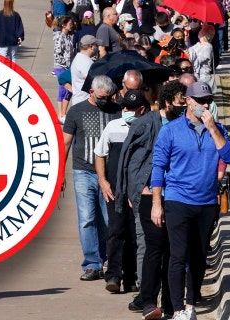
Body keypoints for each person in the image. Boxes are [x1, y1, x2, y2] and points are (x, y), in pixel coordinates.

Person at [151, 82, 230, 320]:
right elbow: (158, 167)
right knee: (178, 255)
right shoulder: (170, 130)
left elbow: (229, 156)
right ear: (188, 101)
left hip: (207, 202)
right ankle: (177, 309)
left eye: (208, 100)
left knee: (199, 256)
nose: (205, 105)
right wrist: (157, 203)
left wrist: (213, 129)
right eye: (200, 100)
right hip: (178, 200)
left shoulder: (217, 129)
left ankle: (191, 304)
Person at [115, 80, 188, 319]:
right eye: (180, 102)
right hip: (149, 195)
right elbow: (128, 158)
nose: (183, 106)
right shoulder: (147, 124)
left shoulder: (184, 124)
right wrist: (131, 191)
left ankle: (169, 304)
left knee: (172, 251)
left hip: (176, 196)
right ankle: (148, 300)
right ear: (168, 102)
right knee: (154, 246)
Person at [63, 75, 122, 281]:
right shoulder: (76, 111)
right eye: (101, 97)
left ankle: (108, 259)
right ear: (91, 93)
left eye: (109, 96)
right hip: (83, 172)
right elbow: (66, 143)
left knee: (108, 219)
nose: (106, 100)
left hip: (108, 174)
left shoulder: (117, 111)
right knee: (87, 219)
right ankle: (91, 264)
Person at [95, 89, 148, 294]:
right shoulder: (113, 126)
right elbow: (100, 154)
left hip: (138, 192)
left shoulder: (148, 129)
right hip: (115, 191)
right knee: (116, 231)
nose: (126, 110)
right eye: (124, 106)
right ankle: (113, 276)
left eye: (131, 108)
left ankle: (131, 277)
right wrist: (103, 181)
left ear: (141, 109)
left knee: (135, 236)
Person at [54, 15, 76, 122]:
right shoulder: (60, 37)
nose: (71, 26)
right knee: (63, 89)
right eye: (70, 24)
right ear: (64, 25)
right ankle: (61, 114)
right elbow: (58, 53)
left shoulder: (68, 36)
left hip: (68, 66)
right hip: (61, 67)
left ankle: (63, 113)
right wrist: (66, 64)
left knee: (68, 91)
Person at [71, 35, 102, 106]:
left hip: (79, 101)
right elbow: (92, 82)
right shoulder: (85, 62)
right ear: (91, 47)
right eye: (96, 45)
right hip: (83, 102)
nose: (98, 48)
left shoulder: (79, 58)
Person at [188, 24, 216, 93]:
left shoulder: (208, 47)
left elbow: (198, 59)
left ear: (205, 35)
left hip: (203, 77)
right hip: (195, 75)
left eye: (201, 31)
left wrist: (190, 58)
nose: (199, 33)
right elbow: (189, 51)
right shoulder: (198, 44)